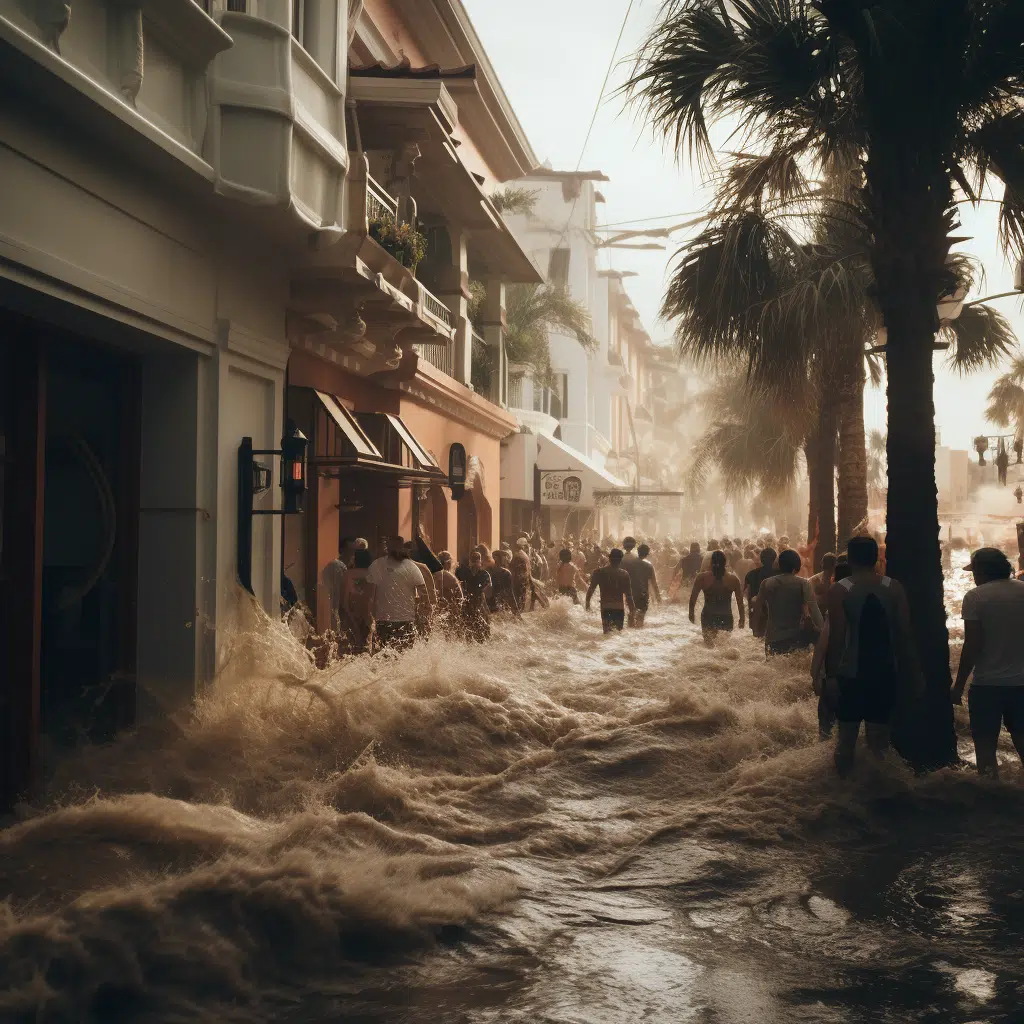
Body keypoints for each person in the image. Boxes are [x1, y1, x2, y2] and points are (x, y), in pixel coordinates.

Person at [825, 535, 921, 776]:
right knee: (879, 744)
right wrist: (913, 674)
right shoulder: (893, 587)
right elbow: (904, 634)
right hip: (885, 672)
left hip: (850, 674)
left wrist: (831, 676)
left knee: (845, 741)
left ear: (850, 558)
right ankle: (878, 793)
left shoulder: (840, 589)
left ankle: (843, 790)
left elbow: (836, 637)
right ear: (877, 558)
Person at [952, 547, 1024, 776]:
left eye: (974, 571)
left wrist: (958, 685)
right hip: (1022, 687)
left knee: (985, 754)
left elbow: (972, 644)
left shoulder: (975, 597)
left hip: (986, 687)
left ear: (982, 571)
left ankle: (991, 798)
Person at [811, 559, 853, 741]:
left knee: (826, 729)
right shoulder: (872, 598)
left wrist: (814, 674)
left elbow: (823, 643)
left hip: (837, 674)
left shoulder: (836, 603)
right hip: (865, 673)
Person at [754, 549, 823, 656]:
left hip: (773, 637)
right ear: (797, 566)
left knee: (773, 668)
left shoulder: (767, 583)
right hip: (796, 637)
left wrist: (755, 629)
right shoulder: (803, 584)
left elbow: (757, 608)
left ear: (780, 565)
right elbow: (814, 609)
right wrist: (823, 631)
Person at [366, 535, 427, 652]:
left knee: (386, 656)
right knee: (398, 656)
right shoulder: (410, 567)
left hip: (399, 621)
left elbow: (370, 597)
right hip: (389, 621)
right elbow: (424, 596)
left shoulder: (378, 565)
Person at [689, 550, 744, 645]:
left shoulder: (702, 578)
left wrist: (691, 613)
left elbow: (693, 598)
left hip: (708, 616)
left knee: (709, 647)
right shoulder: (733, 579)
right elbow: (740, 602)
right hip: (726, 617)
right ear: (725, 562)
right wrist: (742, 619)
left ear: (711, 562)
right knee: (724, 648)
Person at [586, 548, 635, 633]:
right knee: (617, 636)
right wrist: (632, 610)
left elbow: (591, 589)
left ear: (609, 558)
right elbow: (628, 595)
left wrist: (587, 604)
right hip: (618, 607)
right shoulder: (624, 574)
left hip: (606, 607)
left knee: (607, 634)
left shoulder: (598, 572)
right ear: (620, 560)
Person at [340, 548, 375, 653]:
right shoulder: (372, 574)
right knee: (367, 642)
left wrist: (346, 610)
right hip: (367, 609)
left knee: (353, 643)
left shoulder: (348, 574)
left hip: (352, 608)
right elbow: (373, 595)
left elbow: (345, 596)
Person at [457, 548, 493, 641]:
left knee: (478, 631)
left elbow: (488, 590)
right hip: (470, 605)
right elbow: (488, 593)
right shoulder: (464, 572)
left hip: (475, 604)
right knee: (473, 632)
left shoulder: (483, 574)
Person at [626, 543, 661, 627]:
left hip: (631, 593)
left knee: (631, 614)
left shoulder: (630, 564)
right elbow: (653, 582)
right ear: (647, 554)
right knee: (640, 617)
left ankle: (629, 634)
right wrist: (657, 596)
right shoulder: (648, 565)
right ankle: (638, 634)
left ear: (638, 552)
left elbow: (625, 579)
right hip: (643, 594)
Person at [744, 548, 778, 635]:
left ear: (761, 560)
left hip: (757, 614)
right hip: (775, 613)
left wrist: (751, 616)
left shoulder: (751, 574)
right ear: (774, 559)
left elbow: (748, 597)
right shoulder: (780, 575)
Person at [433, 551, 463, 628]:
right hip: (450, 614)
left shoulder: (433, 575)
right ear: (448, 563)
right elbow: (460, 597)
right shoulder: (451, 578)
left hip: (436, 614)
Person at [489, 549, 521, 616]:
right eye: (504, 557)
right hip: (501, 606)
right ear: (499, 559)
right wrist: (516, 611)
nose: (505, 559)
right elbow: (510, 593)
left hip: (490, 606)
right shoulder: (506, 573)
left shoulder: (488, 571)